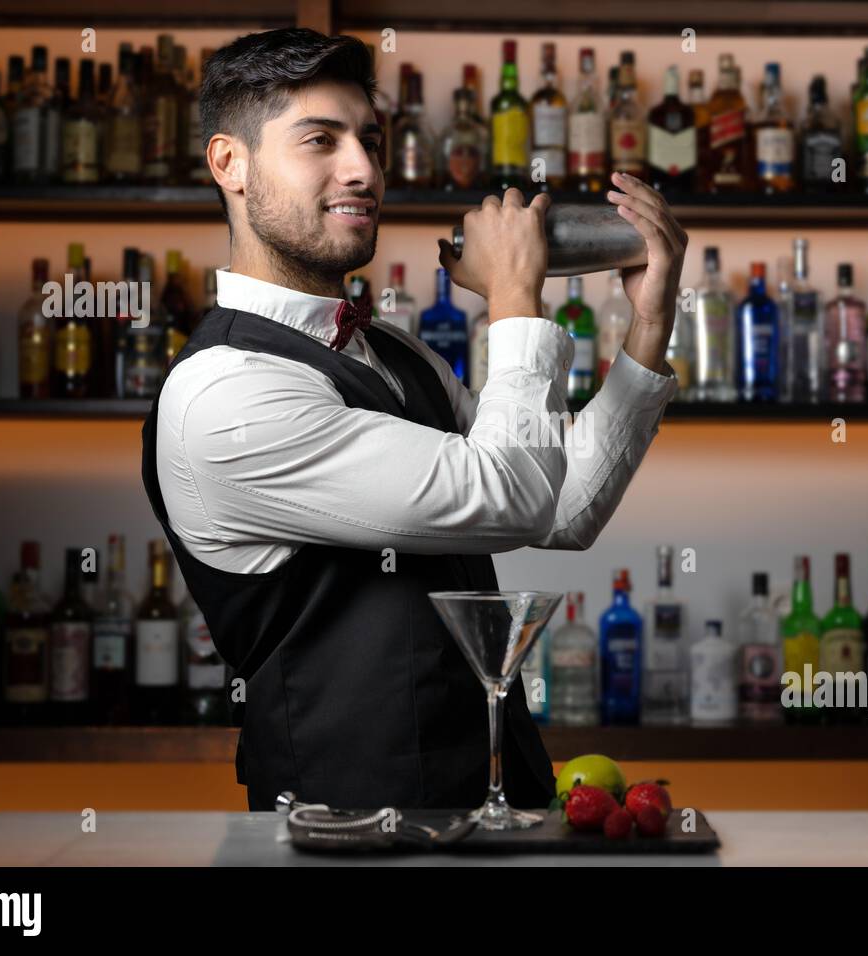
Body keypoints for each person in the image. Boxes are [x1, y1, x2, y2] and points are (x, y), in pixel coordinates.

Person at [139, 28, 687, 811]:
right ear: (230, 163)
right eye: (319, 141)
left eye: (370, 139)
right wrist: (512, 297)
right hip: (346, 846)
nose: (362, 170)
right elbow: (510, 497)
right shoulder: (225, 395)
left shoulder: (395, 355)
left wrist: (647, 329)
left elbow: (560, 507)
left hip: (497, 815)